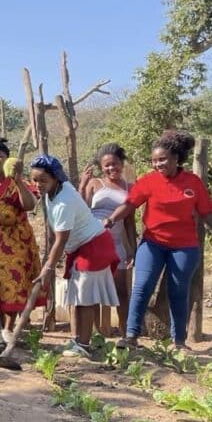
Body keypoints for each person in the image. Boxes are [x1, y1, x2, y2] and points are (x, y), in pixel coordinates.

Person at [106, 130, 212, 350]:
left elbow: (208, 213)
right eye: (154, 161)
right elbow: (129, 204)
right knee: (142, 286)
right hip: (153, 243)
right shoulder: (148, 181)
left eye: (162, 159)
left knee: (178, 291)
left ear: (176, 158)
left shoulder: (192, 183)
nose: (158, 164)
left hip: (184, 247)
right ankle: (130, 336)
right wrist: (111, 219)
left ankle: (179, 341)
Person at [29, 154, 119, 358]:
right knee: (76, 296)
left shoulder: (63, 201)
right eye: (34, 180)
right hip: (80, 248)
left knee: (85, 299)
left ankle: (84, 346)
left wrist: (48, 268)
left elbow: (60, 240)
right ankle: (77, 340)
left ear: (55, 179)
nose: (38, 184)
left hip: (94, 246)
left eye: (43, 180)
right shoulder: (53, 192)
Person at [0, 138, 46, 342]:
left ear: (7, 160)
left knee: (11, 283)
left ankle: (7, 328)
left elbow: (30, 205)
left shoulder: (15, 182)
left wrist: (19, 179)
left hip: (14, 242)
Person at [78, 143, 137, 336]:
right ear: (101, 167)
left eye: (115, 164)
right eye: (107, 165)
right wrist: (82, 185)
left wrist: (132, 249)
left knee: (121, 291)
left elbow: (129, 221)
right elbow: (82, 210)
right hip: (94, 242)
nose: (111, 168)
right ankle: (97, 334)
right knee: (94, 291)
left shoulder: (130, 187)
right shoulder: (95, 183)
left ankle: (125, 333)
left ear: (122, 163)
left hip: (117, 244)